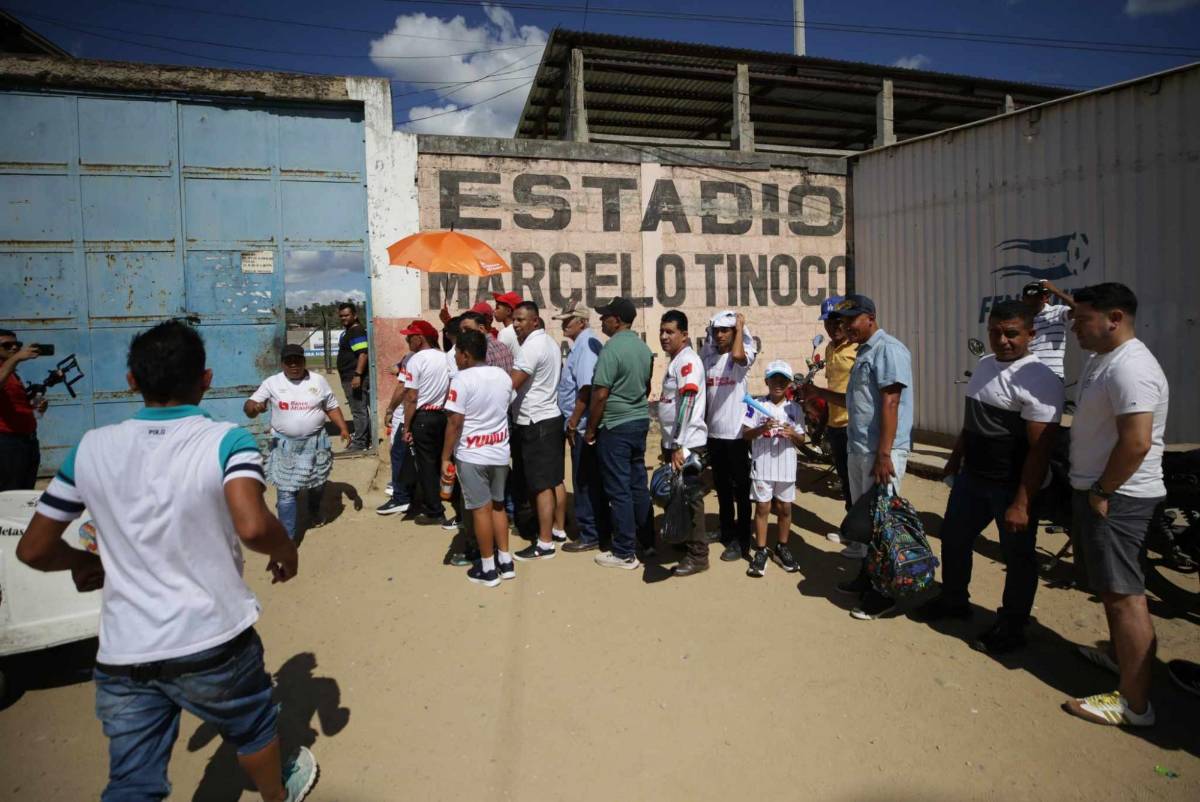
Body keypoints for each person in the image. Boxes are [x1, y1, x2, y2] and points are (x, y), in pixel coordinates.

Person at [15, 320, 318, 802]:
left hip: (125, 648)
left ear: (132, 381)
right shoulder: (226, 442)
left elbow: (32, 548)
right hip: (213, 636)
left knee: (133, 780)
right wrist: (286, 551)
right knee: (254, 727)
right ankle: (275, 794)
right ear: (206, 379)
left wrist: (78, 562)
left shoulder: (89, 449)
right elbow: (254, 525)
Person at [913, 301, 1064, 654]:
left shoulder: (1040, 379)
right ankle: (954, 600)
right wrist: (955, 457)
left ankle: (1012, 626)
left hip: (1011, 487)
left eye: (1012, 333)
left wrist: (1023, 503)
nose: (1003, 340)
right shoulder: (984, 365)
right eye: (995, 332)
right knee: (953, 538)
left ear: (1031, 334)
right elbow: (973, 422)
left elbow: (1040, 449)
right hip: (972, 479)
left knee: (1018, 558)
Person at [1061, 283, 1168, 728]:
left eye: (1082, 320)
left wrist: (1103, 491)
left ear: (1115, 318)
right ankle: (1121, 660)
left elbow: (1137, 442)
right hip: (1099, 491)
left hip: (1119, 497)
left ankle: (1134, 705)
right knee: (1110, 588)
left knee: (1126, 597)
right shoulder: (1103, 359)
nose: (1074, 329)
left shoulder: (1133, 368)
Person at [805, 294, 914, 620]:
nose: (844, 326)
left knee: (882, 524)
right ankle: (868, 578)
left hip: (879, 452)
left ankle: (884, 595)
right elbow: (855, 402)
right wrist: (818, 395)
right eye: (840, 321)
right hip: (859, 447)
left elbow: (890, 403)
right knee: (865, 522)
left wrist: (884, 455)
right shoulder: (864, 351)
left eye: (850, 320)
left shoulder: (888, 349)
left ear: (869, 317)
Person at [244, 345, 352, 541]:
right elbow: (249, 407)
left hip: (316, 443)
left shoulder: (318, 380)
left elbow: (331, 406)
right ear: (282, 363)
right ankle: (288, 538)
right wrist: (255, 408)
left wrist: (343, 428)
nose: (294, 365)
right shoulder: (272, 383)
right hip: (285, 445)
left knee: (317, 483)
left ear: (304, 361)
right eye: (289, 361)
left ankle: (313, 510)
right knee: (287, 491)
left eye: (298, 360)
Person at [441, 329, 516, 587]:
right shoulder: (503, 377)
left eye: (458, 354)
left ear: (465, 354)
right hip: (499, 452)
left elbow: (454, 422)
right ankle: (505, 561)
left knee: (480, 510)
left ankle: (487, 568)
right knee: (498, 506)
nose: (457, 359)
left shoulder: (461, 380)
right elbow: (507, 405)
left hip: (472, 454)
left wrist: (445, 456)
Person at [584, 297, 654, 571]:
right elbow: (647, 387)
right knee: (638, 484)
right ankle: (646, 541)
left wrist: (591, 428)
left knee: (619, 488)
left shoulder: (611, 349)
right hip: (639, 421)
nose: (602, 320)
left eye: (605, 316)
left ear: (617, 320)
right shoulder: (642, 348)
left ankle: (624, 551)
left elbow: (600, 394)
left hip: (615, 426)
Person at [508, 301, 566, 561]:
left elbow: (513, 384)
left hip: (535, 422)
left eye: (520, 319)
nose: (515, 324)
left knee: (541, 485)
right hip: (550, 418)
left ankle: (544, 543)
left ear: (535, 321)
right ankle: (557, 530)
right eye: (514, 319)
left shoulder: (531, 347)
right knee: (553, 480)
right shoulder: (550, 343)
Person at [553, 300, 610, 553]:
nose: (564, 325)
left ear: (582, 322)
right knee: (590, 478)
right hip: (584, 421)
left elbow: (587, 388)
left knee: (584, 479)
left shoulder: (586, 346)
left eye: (569, 320)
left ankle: (591, 532)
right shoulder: (585, 343)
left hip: (584, 422)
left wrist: (574, 421)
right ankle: (597, 528)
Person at [741, 361, 806, 578]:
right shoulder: (756, 405)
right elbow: (745, 434)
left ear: (788, 383)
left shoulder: (794, 409)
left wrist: (792, 434)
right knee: (762, 508)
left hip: (786, 466)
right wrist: (762, 428)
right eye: (774, 379)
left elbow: (802, 439)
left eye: (783, 380)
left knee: (785, 508)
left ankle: (781, 547)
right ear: (767, 381)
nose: (778, 383)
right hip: (763, 465)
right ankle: (760, 551)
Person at [701, 311, 756, 563]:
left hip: (736, 434)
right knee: (721, 486)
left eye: (726, 330)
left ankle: (742, 540)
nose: (720, 335)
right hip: (714, 433)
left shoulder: (744, 353)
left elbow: (737, 355)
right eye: (717, 330)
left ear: (735, 333)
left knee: (741, 490)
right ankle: (726, 529)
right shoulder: (708, 357)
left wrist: (741, 325)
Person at [657, 311, 709, 576]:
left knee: (691, 498)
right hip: (676, 443)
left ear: (684, 335)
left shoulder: (688, 361)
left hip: (688, 444)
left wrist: (677, 443)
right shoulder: (677, 360)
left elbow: (688, 402)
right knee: (675, 494)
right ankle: (683, 538)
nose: (664, 336)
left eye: (670, 332)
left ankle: (698, 555)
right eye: (662, 331)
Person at [395, 319, 452, 527]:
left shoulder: (416, 361)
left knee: (427, 466)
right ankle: (450, 499)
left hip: (423, 418)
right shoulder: (446, 358)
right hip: (444, 416)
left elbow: (411, 396)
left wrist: (407, 426)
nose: (407, 339)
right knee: (443, 461)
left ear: (420, 338)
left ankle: (435, 510)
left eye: (410, 336)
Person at [819, 296, 858, 512]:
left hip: (853, 425)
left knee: (857, 481)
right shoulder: (829, 349)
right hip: (836, 426)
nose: (833, 326)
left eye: (838, 321)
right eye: (828, 322)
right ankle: (852, 527)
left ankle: (862, 533)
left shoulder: (857, 348)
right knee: (845, 479)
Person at [0, 330, 48, 490]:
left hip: (27, 441)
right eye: (7, 345)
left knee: (25, 491)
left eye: (17, 345)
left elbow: (31, 412)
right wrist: (17, 358)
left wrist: (38, 408)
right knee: (10, 494)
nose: (14, 348)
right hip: (7, 443)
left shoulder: (13, 374)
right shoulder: (5, 370)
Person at [378, 351, 415, 516]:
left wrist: (390, 409)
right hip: (416, 413)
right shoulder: (416, 357)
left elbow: (403, 387)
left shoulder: (414, 359)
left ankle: (401, 496)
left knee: (399, 453)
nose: (407, 340)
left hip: (406, 412)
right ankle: (400, 486)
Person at [1020, 280, 1075, 380]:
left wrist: (1056, 291)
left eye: (1041, 296)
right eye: (1032, 297)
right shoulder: (1021, 318)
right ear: (1024, 299)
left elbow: (1079, 309)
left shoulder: (1057, 311)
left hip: (1052, 373)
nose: (1038, 300)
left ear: (1046, 298)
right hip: (1026, 374)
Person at [336, 302, 371, 451]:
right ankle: (362, 438)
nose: (343, 318)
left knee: (358, 410)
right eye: (341, 316)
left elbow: (363, 354)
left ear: (355, 315)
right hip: (349, 376)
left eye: (347, 315)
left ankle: (360, 442)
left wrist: (357, 375)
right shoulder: (350, 331)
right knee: (358, 409)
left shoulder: (356, 331)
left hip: (354, 377)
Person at [493, 291, 522, 360]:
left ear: (508, 311)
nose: (494, 311)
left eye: (497, 308)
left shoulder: (505, 333)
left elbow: (498, 361)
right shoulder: (521, 330)